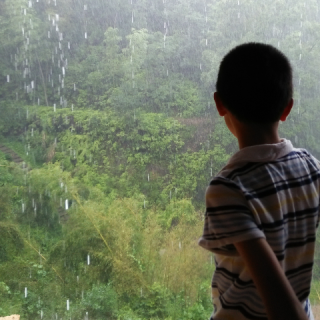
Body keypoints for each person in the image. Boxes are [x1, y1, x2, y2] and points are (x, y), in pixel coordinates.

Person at [198, 42, 320, 320]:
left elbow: (276, 298)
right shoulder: (310, 167)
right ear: (287, 109)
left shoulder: (228, 189)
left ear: (219, 104)